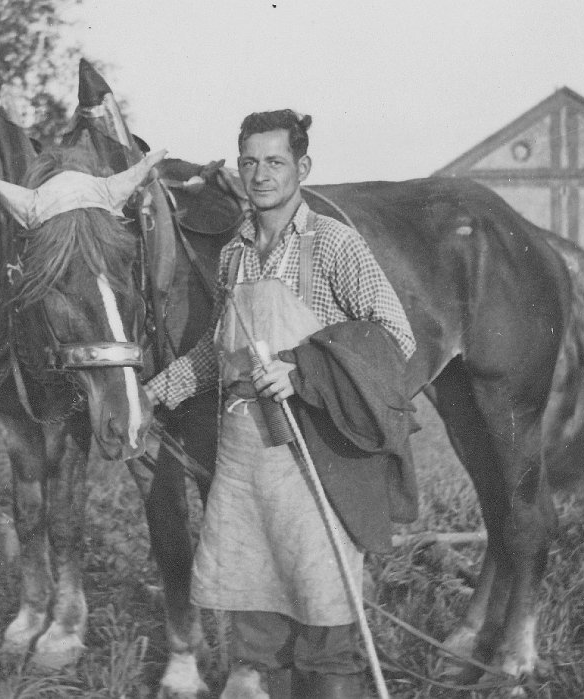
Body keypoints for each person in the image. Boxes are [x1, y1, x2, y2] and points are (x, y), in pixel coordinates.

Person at [144, 110, 416, 699]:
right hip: (245, 452)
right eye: (249, 162)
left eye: (275, 162)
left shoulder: (335, 244)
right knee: (256, 604)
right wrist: (154, 393)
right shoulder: (233, 255)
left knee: (324, 611)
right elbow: (221, 352)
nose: (260, 175)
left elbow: (394, 335)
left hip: (316, 447)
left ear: (302, 168)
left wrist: (305, 371)